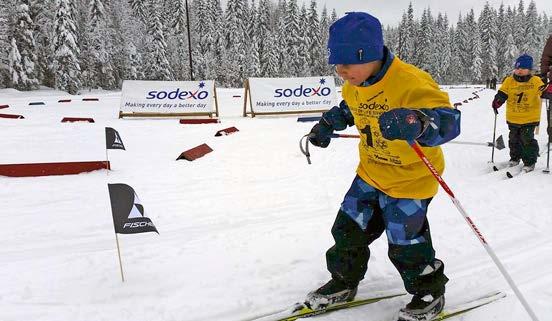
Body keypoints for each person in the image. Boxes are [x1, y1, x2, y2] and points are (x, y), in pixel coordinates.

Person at [306, 12, 461, 321]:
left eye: (347, 63)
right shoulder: (354, 82)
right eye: (336, 64)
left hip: (410, 180)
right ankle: (344, 281)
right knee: (347, 229)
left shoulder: (410, 81)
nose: (341, 71)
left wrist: (417, 122)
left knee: (406, 245)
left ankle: (429, 291)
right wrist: (328, 123)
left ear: (370, 55)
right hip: (371, 173)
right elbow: (351, 107)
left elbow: (450, 121)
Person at [491, 54, 546, 172]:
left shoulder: (535, 80)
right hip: (513, 117)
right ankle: (514, 158)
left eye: (523, 68)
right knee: (513, 139)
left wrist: (547, 91)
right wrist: (498, 100)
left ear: (529, 70)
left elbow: (543, 91)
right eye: (517, 68)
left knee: (526, 140)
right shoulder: (509, 81)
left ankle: (530, 161)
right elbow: (502, 93)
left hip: (529, 118)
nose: (519, 71)